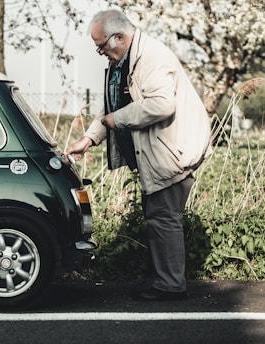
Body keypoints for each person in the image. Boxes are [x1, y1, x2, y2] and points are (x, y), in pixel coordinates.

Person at [65, 9, 211, 300]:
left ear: (119, 37)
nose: (101, 52)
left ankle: (170, 285)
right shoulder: (127, 60)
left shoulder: (153, 57)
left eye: (101, 46)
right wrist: (89, 138)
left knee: (164, 217)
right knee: (157, 215)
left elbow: (160, 105)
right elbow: (112, 107)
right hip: (159, 152)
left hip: (172, 153)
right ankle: (161, 278)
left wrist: (116, 120)